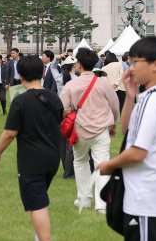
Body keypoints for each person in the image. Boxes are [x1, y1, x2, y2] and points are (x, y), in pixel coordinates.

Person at [97, 36, 156, 240]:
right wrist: (130, 96)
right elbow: (128, 131)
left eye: (136, 62)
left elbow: (137, 152)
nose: (131, 67)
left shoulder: (153, 101)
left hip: (148, 196)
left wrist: (109, 165)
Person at [0, 55, 63, 241]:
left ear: (20, 75)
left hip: (31, 160)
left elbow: (9, 133)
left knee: (37, 204)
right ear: (42, 72)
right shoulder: (55, 98)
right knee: (38, 199)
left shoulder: (20, 101)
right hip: (53, 157)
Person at [59, 48, 119, 213]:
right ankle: (102, 204)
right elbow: (115, 105)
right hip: (101, 128)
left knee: (80, 162)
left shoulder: (71, 85)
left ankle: (84, 199)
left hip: (79, 129)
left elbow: (63, 108)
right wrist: (113, 123)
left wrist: (71, 111)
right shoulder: (103, 83)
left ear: (78, 65)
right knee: (102, 163)